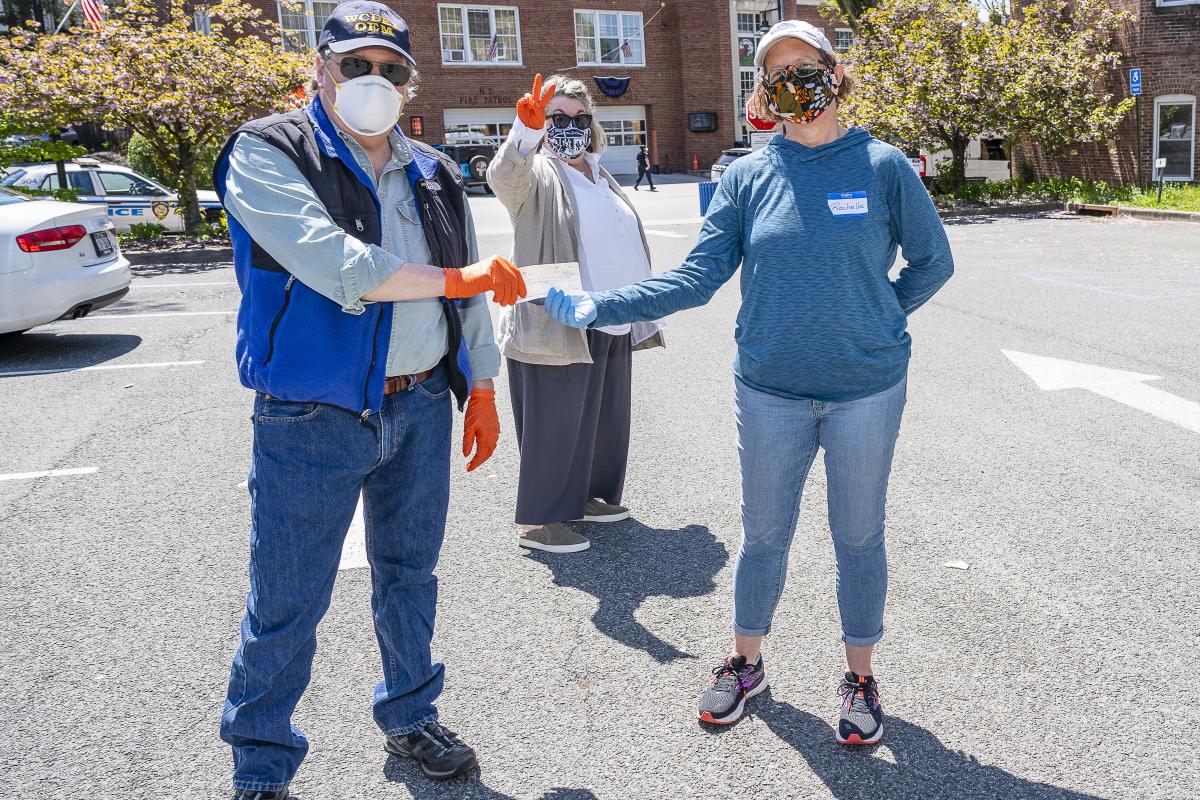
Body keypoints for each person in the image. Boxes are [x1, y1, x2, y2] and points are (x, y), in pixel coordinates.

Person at [545, 20, 953, 744]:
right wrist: (602, 305)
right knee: (764, 535)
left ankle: (860, 677)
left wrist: (880, 313)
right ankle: (745, 663)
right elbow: (697, 276)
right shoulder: (748, 176)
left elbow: (932, 262)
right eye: (777, 71)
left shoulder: (884, 167)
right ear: (763, 91)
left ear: (835, 72)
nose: (795, 79)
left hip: (866, 386)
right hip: (770, 389)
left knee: (858, 536)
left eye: (807, 65)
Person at [212, 3, 526, 796]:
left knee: (409, 576)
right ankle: (261, 763)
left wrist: (481, 383)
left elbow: (470, 286)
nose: (374, 81)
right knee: (287, 597)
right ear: (318, 70)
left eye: (391, 69)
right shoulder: (268, 149)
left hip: (420, 404)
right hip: (312, 415)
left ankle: (411, 720)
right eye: (356, 65)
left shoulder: (432, 167)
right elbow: (334, 263)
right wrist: (459, 280)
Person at [486, 74, 664, 554]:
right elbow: (503, 178)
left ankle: (586, 498)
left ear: (591, 124)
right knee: (556, 419)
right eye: (555, 117)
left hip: (610, 314)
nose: (567, 125)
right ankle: (541, 520)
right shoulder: (537, 171)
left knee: (601, 418)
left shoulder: (598, 171)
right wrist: (522, 136)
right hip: (557, 320)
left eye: (577, 117)